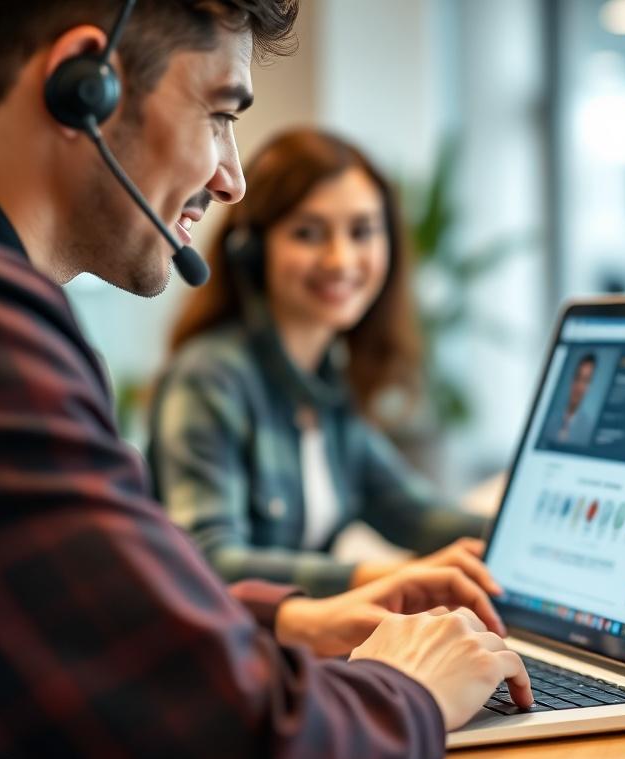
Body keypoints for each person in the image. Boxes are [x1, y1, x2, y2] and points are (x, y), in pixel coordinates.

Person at [0, 2, 532, 759]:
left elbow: (83, 617)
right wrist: (414, 689)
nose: (231, 178)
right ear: (83, 84)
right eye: (220, 113)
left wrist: (286, 620)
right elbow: (233, 738)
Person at [148, 128, 493, 598]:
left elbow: (419, 517)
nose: (341, 259)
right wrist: (382, 578)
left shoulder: (327, 383)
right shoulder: (209, 376)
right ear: (252, 250)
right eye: (309, 233)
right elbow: (209, 562)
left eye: (362, 231)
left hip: (308, 655)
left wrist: (541, 535)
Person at [545, 352, 597, 445]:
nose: (579, 386)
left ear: (589, 387)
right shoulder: (549, 418)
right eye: (578, 377)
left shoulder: (588, 430)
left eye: (586, 380)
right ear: (572, 379)